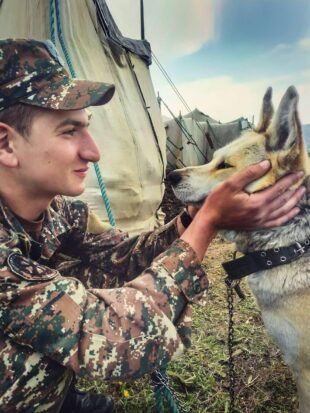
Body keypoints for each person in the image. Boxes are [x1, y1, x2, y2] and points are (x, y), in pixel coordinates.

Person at [0, 38, 305, 413]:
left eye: (87, 128)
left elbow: (119, 255)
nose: (93, 151)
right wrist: (207, 223)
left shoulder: (58, 213)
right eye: (69, 131)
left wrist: (191, 219)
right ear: (5, 144)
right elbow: (117, 337)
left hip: (54, 395)